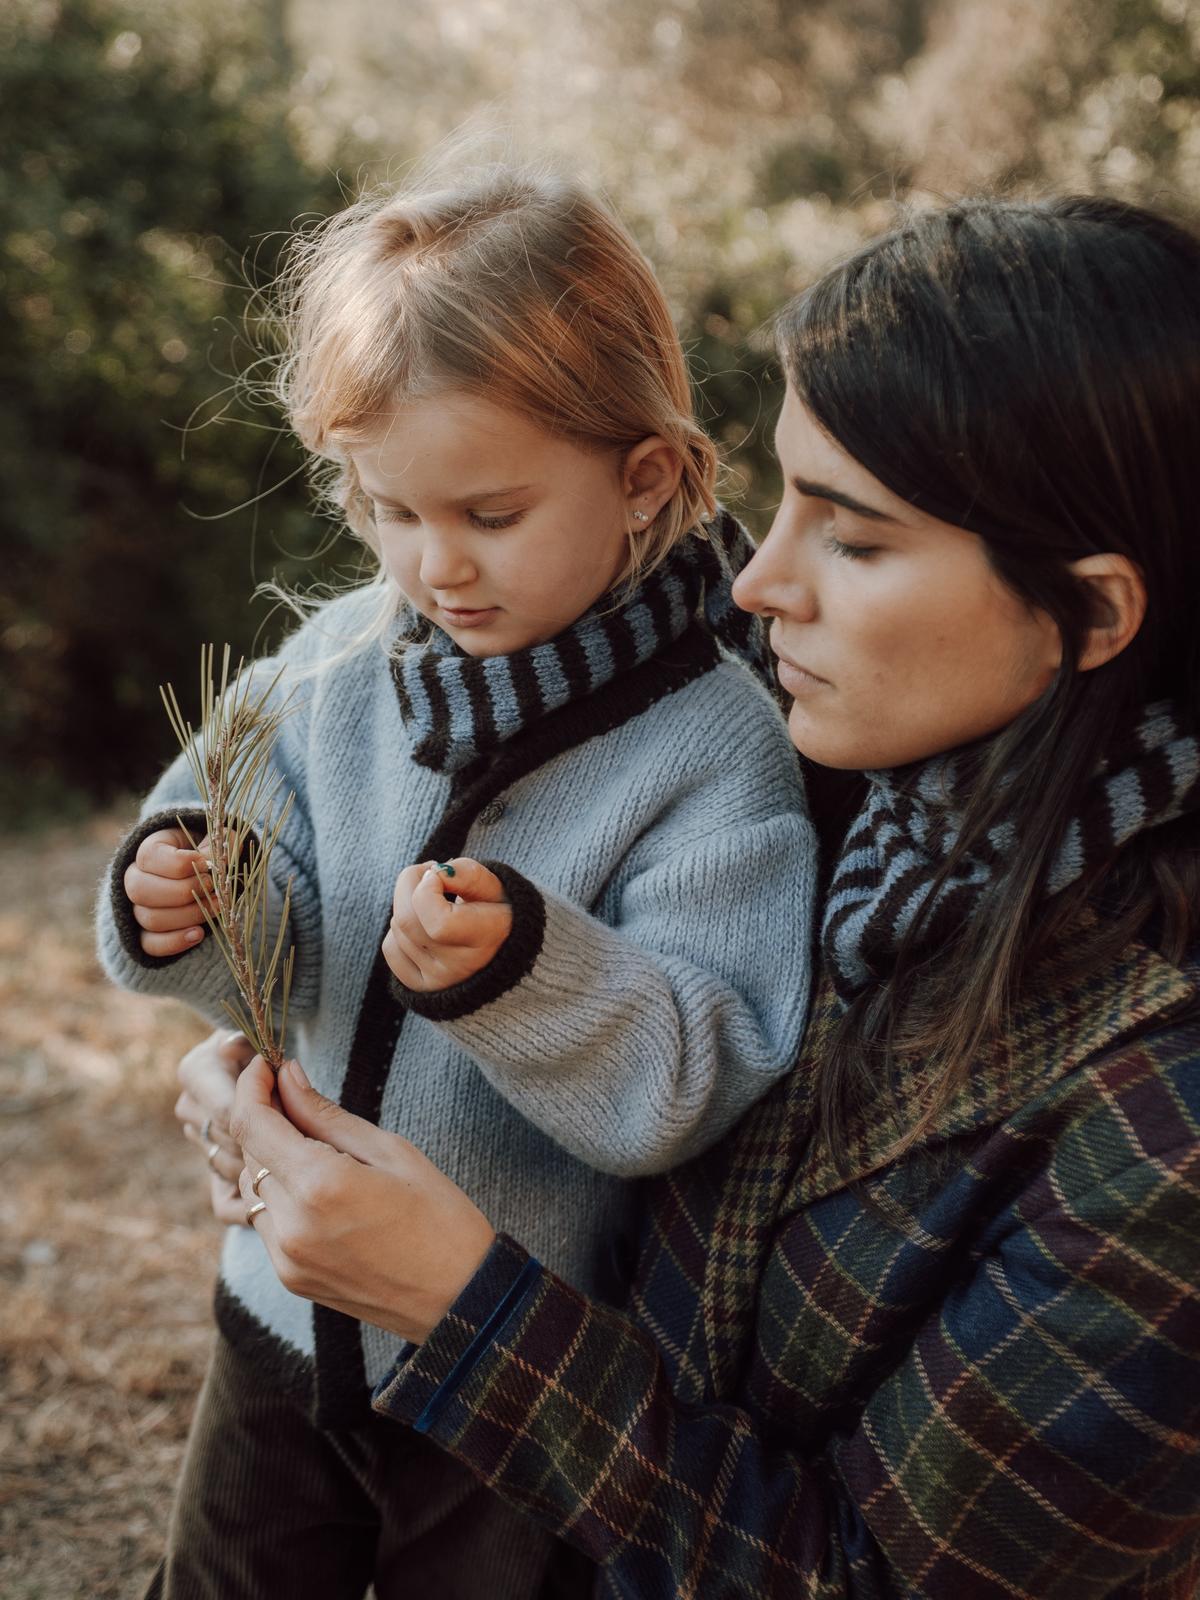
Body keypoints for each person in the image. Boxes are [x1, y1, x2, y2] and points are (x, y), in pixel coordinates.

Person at [212, 192, 1200, 1597]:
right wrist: (269, 1055)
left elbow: (864, 1577)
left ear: (1094, 612)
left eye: (852, 540)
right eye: (782, 497)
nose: (757, 586)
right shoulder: (859, 779)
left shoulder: (1161, 1130)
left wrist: (459, 1308)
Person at [96, 160, 817, 1598]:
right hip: (279, 1313)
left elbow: (695, 1065)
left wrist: (522, 972)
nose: (433, 567)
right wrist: (182, 899)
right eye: (387, 510)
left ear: (646, 478)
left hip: (504, 1370)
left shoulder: (712, 748)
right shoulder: (338, 662)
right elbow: (236, 885)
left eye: (488, 515)